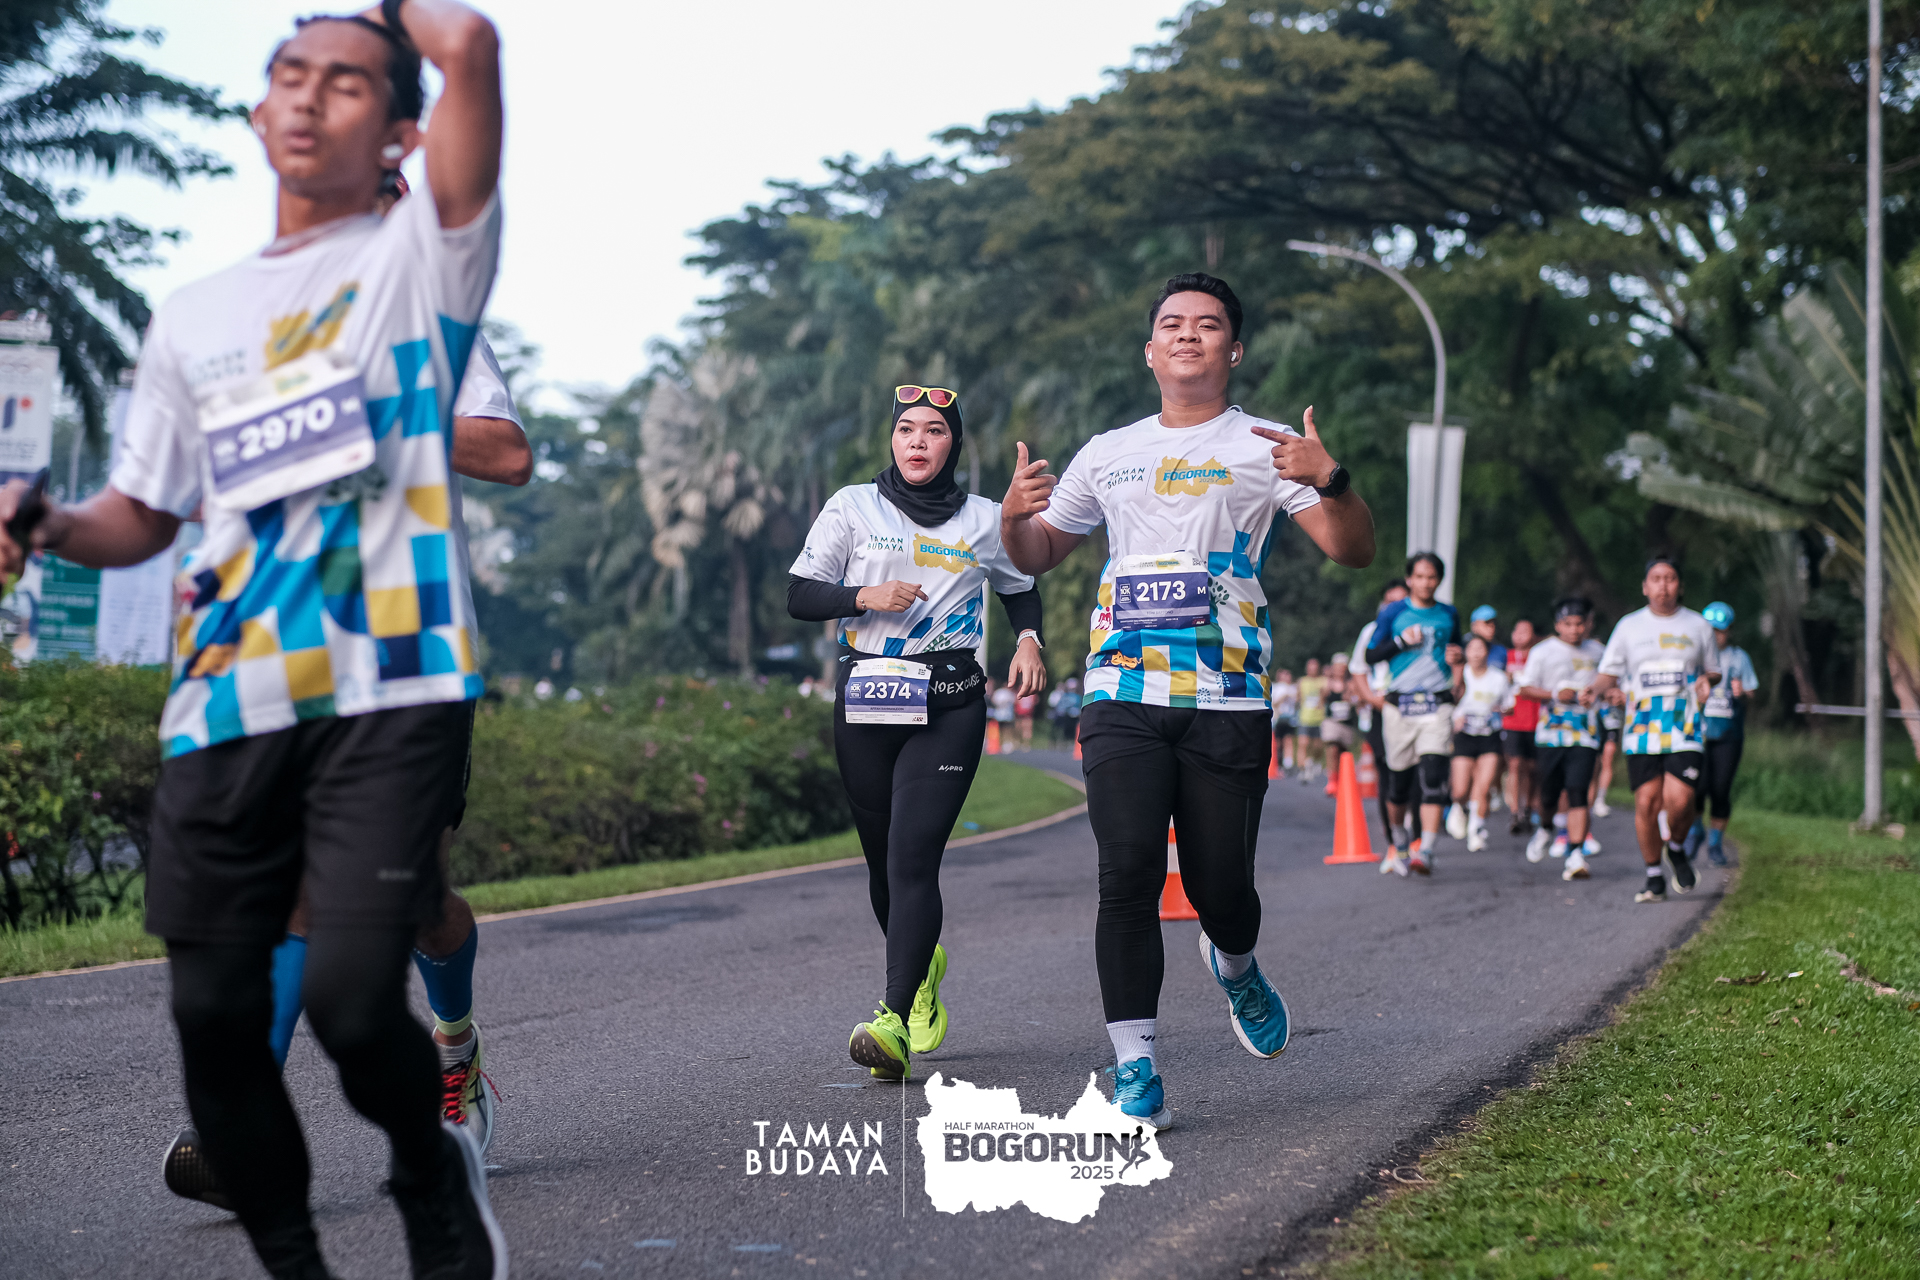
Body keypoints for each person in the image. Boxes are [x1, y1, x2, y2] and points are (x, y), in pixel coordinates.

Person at [0, 6, 510, 1277]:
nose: (308, 97)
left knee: (351, 996)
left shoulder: (421, 270)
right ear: (255, 110)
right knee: (215, 1019)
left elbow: (471, 52)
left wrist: (416, 26)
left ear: (399, 133)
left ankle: (428, 1166)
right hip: (225, 694)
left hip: (390, 680)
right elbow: (143, 512)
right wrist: (48, 522)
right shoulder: (195, 315)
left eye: (346, 82)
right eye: (289, 74)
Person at [164, 321, 531, 1213]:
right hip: (292, 651)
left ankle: (455, 1045)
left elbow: (504, 452)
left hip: (414, 655)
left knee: (417, 898)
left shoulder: (432, 326)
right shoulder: (262, 330)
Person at [999, 272, 1374, 1127]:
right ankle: (1135, 1067)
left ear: (1233, 351)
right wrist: (1016, 519)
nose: (1188, 335)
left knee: (1222, 889)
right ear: (1150, 351)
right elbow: (1039, 553)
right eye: (1172, 324)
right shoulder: (1108, 451)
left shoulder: (1269, 446)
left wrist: (1334, 479)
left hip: (1227, 694)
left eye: (1207, 325)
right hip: (1122, 687)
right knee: (1126, 873)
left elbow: (1352, 549)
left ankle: (1235, 965)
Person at [787, 383, 1045, 1081]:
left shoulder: (984, 518)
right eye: (907, 430)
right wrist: (860, 596)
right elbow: (800, 594)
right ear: (892, 440)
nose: (918, 442)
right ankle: (922, 967)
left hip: (949, 704)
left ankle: (892, 1021)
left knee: (912, 858)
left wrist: (1029, 640)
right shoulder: (852, 507)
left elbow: (1021, 585)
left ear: (952, 443)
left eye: (934, 430)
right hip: (866, 704)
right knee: (882, 867)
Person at [1590, 557, 1720, 903]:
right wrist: (1595, 689)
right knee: (1647, 801)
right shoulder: (1629, 627)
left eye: (1670, 578)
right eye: (1656, 578)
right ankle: (1653, 877)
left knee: (1682, 800)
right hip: (1642, 726)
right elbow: (1608, 673)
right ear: (1645, 586)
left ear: (1680, 585)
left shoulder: (1698, 625)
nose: (1663, 585)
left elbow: (1713, 670)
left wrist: (1708, 681)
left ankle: (1675, 848)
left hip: (1684, 725)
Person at [1365, 553, 1463, 876]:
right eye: (1419, 576)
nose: (1425, 583)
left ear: (1439, 580)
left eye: (1431, 577)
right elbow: (1370, 655)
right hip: (1400, 706)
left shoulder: (1449, 613)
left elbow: (1457, 650)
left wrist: (1458, 660)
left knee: (1433, 777)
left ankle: (1427, 849)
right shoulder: (1393, 612)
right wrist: (1399, 642)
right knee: (1399, 784)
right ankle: (1399, 836)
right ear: (1409, 579)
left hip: (1437, 703)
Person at [1516, 596, 1606, 881]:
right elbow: (1524, 688)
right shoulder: (1543, 651)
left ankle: (1576, 853)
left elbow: (1612, 682)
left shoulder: (1599, 652)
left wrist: (1605, 694)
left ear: (1588, 624)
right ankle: (1545, 828)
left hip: (1585, 733)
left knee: (1578, 790)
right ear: (1558, 625)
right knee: (1549, 794)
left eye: (1579, 624)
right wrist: (1556, 694)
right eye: (1568, 624)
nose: (1574, 630)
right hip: (1551, 733)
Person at [1688, 601, 1757, 867]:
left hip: (1728, 734)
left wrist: (1743, 693)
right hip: (1697, 732)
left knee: (1720, 790)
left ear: (1729, 631)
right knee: (1696, 789)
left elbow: (1751, 690)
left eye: (1721, 630)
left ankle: (1715, 844)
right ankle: (1696, 830)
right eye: (1712, 630)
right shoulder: (1694, 657)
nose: (1716, 636)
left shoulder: (1739, 658)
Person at [1350, 578, 1409, 848]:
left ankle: (1418, 839)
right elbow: (1358, 669)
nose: (1395, 607)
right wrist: (1372, 699)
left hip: (1413, 707)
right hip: (1381, 709)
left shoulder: (1419, 628)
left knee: (1415, 772)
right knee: (1387, 771)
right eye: (1390, 602)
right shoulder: (1372, 631)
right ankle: (1393, 841)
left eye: (1401, 601)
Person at [1447, 634, 1508, 852]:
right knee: (1460, 789)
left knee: (1483, 786)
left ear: (1487, 652)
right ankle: (1460, 807)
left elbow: (1508, 704)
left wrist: (1502, 710)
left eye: (1480, 648)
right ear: (1466, 652)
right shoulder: (1459, 674)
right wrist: (1455, 717)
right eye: (1471, 648)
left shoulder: (1499, 678)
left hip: (1489, 735)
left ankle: (1476, 830)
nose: (1475, 653)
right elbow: (1449, 701)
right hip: (1464, 735)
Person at [1502, 617, 1541, 833]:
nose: (1520, 635)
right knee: (1515, 764)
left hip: (1536, 720)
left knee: (1533, 768)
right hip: (1513, 720)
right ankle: (1515, 811)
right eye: (1517, 631)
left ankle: (1529, 807)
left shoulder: (1540, 657)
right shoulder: (1505, 657)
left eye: (1525, 631)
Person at [1319, 652, 1358, 794]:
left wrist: (1351, 699)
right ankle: (1332, 781)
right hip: (1331, 721)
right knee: (1332, 747)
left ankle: (1343, 779)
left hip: (1346, 722)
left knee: (1344, 752)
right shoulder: (1327, 683)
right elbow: (1320, 702)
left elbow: (1358, 701)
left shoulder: (1351, 683)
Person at [1295, 656, 1327, 780]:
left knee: (1317, 746)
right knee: (1303, 743)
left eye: (1314, 667)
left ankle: (1314, 761)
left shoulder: (1323, 681)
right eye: (1310, 667)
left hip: (1319, 718)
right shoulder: (1302, 681)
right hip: (1304, 717)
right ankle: (1302, 769)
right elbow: (1298, 698)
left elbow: (1326, 696)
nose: (1312, 669)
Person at [1270, 668, 1300, 773]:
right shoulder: (1275, 687)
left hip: (1290, 717)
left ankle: (1288, 763)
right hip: (1278, 717)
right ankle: (1278, 762)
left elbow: (1297, 701)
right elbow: (1274, 703)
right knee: (1278, 742)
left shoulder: (1293, 688)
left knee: (1288, 740)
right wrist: (1283, 697)